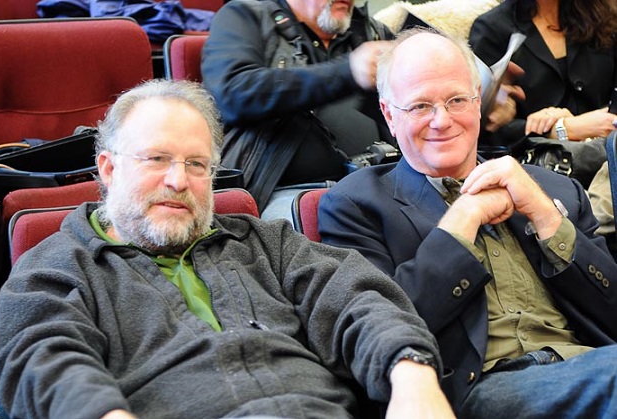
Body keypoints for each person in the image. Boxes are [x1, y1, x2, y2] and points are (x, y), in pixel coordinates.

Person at [0, 79, 454, 419]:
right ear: (108, 169)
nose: (178, 180)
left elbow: (359, 299)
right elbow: (42, 360)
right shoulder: (56, 268)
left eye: (196, 164)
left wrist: (411, 373)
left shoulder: (265, 243)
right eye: (156, 159)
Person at [318, 27, 617, 418]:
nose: (442, 121)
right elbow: (383, 330)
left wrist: (545, 216)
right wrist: (460, 222)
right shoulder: (354, 204)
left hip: (591, 363)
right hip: (483, 387)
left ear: (478, 103)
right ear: (389, 115)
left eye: (456, 100)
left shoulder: (552, 188)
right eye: (420, 106)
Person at [201, 0, 397, 218]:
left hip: (381, 184)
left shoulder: (372, 32)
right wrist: (346, 72)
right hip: (281, 194)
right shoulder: (246, 17)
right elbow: (232, 92)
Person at [468, 0, 617, 161]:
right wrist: (559, 129)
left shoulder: (603, 16)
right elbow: (484, 128)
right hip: (535, 165)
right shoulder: (492, 29)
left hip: (607, 155)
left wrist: (605, 118)